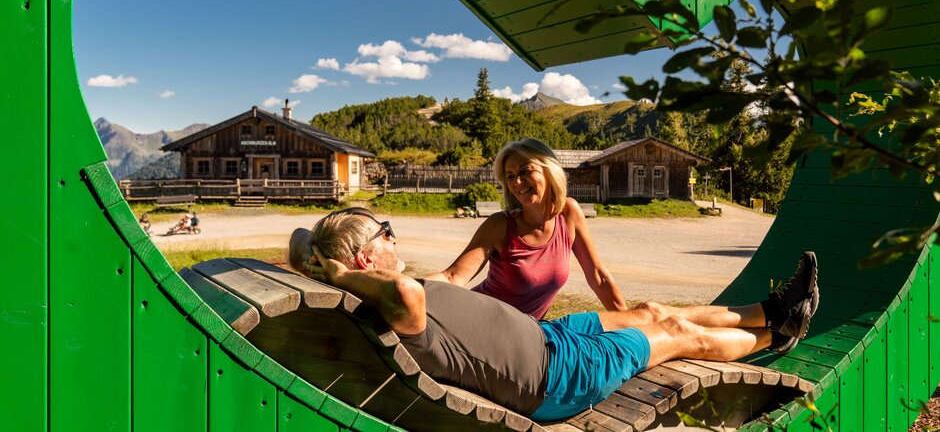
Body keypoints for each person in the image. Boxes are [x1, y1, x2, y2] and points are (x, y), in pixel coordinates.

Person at [289, 209, 819, 421]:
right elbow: (406, 293)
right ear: (363, 259)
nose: (393, 235)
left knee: (652, 310)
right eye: (385, 233)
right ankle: (777, 334)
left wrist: (316, 257)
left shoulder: (388, 291)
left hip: (550, 337)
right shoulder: (389, 299)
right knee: (677, 333)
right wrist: (336, 275)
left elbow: (443, 280)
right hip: (556, 378)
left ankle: (770, 308)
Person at [425, 138, 627, 319]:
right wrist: (404, 286)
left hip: (525, 336)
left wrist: (629, 324)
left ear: (549, 171)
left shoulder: (568, 213)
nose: (517, 182)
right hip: (479, 322)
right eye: (510, 176)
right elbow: (453, 276)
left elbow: (598, 275)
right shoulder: (500, 225)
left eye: (525, 171)